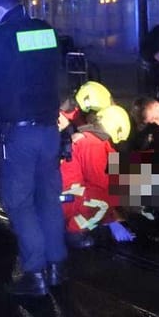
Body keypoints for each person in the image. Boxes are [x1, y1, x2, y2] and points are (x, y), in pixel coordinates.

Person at [0, 0, 65, 297]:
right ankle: (55, 266)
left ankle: (34, 272)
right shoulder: (44, 30)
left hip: (16, 136)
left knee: (18, 201)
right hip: (50, 130)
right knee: (48, 198)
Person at [61, 104, 135, 249]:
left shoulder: (91, 139)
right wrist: (112, 222)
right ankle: (75, 232)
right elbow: (100, 186)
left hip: (65, 197)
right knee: (102, 197)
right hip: (66, 200)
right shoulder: (93, 144)